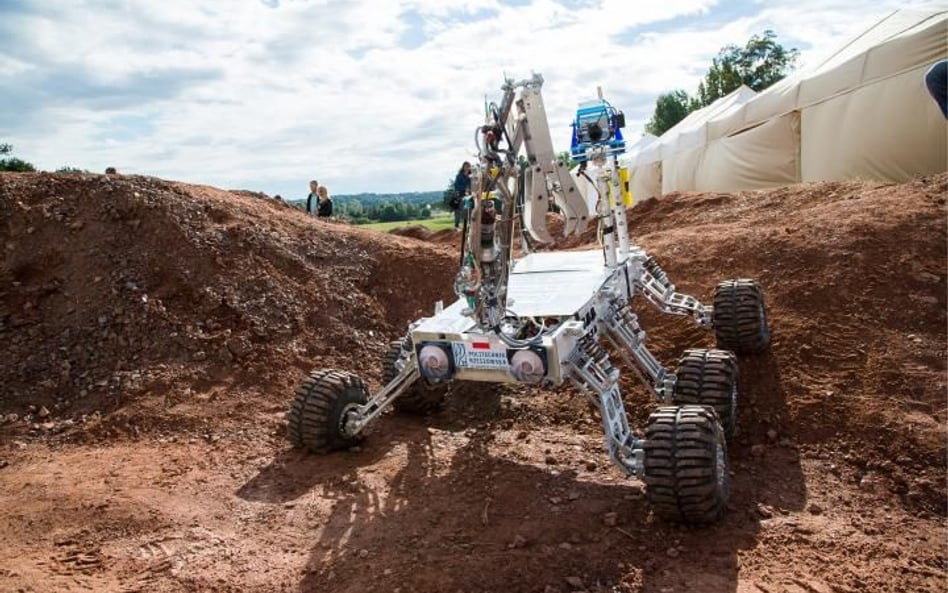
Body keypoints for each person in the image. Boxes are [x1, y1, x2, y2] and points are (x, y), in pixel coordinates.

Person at [452, 161, 472, 231]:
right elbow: (456, 186)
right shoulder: (459, 176)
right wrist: (464, 189)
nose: (467, 168)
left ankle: (468, 226)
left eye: (468, 166)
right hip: (460, 195)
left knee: (469, 210)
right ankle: (456, 226)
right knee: (458, 211)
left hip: (470, 195)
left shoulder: (471, 176)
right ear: (463, 167)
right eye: (465, 166)